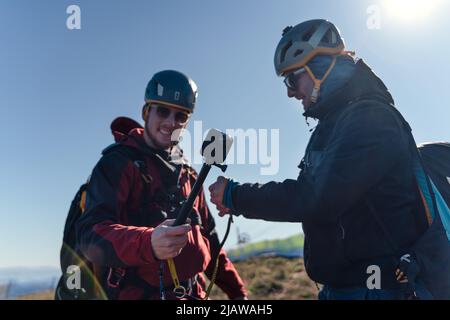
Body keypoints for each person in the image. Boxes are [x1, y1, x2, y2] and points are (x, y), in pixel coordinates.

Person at [209, 19, 434, 300]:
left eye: (292, 79)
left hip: (376, 290)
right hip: (345, 288)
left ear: (321, 67)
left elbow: (315, 198)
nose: (290, 92)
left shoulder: (369, 118)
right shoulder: (336, 122)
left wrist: (235, 195)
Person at [76, 70, 248, 300]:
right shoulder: (117, 163)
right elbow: (89, 235)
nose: (170, 122)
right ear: (146, 112)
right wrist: (148, 243)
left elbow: (211, 241)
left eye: (181, 116)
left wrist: (238, 294)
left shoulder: (188, 174)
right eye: (163, 111)